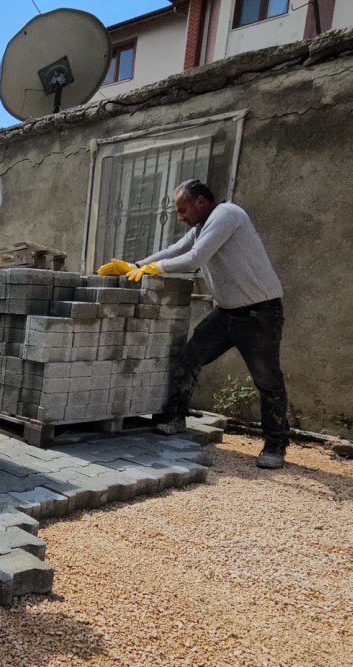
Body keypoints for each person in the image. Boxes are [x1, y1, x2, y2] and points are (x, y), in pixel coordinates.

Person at [99, 178, 289, 469]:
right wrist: (136, 265)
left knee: (267, 380)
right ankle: (175, 418)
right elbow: (175, 249)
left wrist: (153, 269)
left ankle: (275, 444)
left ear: (200, 201)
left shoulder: (227, 215)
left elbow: (194, 259)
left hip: (260, 314)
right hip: (227, 312)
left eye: (182, 209)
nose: (180, 217)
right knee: (188, 359)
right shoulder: (201, 227)